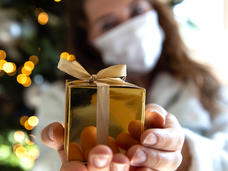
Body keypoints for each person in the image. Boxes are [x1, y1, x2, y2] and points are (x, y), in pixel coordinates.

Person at [40, 0, 228, 170]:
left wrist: (187, 155)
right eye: (108, 24)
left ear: (155, 10)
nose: (131, 27)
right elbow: (45, 164)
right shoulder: (62, 97)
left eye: (137, 10)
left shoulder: (203, 83)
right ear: (88, 39)